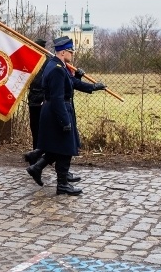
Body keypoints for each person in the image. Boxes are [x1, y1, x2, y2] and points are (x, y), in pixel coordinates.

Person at [25, 36, 103, 196]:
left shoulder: (59, 66)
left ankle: (38, 167)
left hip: (57, 110)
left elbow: (71, 83)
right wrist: (64, 120)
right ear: (62, 52)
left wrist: (93, 87)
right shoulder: (57, 69)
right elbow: (57, 98)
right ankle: (61, 184)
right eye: (70, 51)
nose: (72, 54)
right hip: (57, 111)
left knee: (60, 147)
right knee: (65, 148)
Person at [23, 39, 50, 165]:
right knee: (35, 128)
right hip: (35, 99)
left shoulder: (48, 61)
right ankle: (36, 152)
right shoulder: (31, 59)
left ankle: (42, 153)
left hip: (43, 99)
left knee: (42, 128)